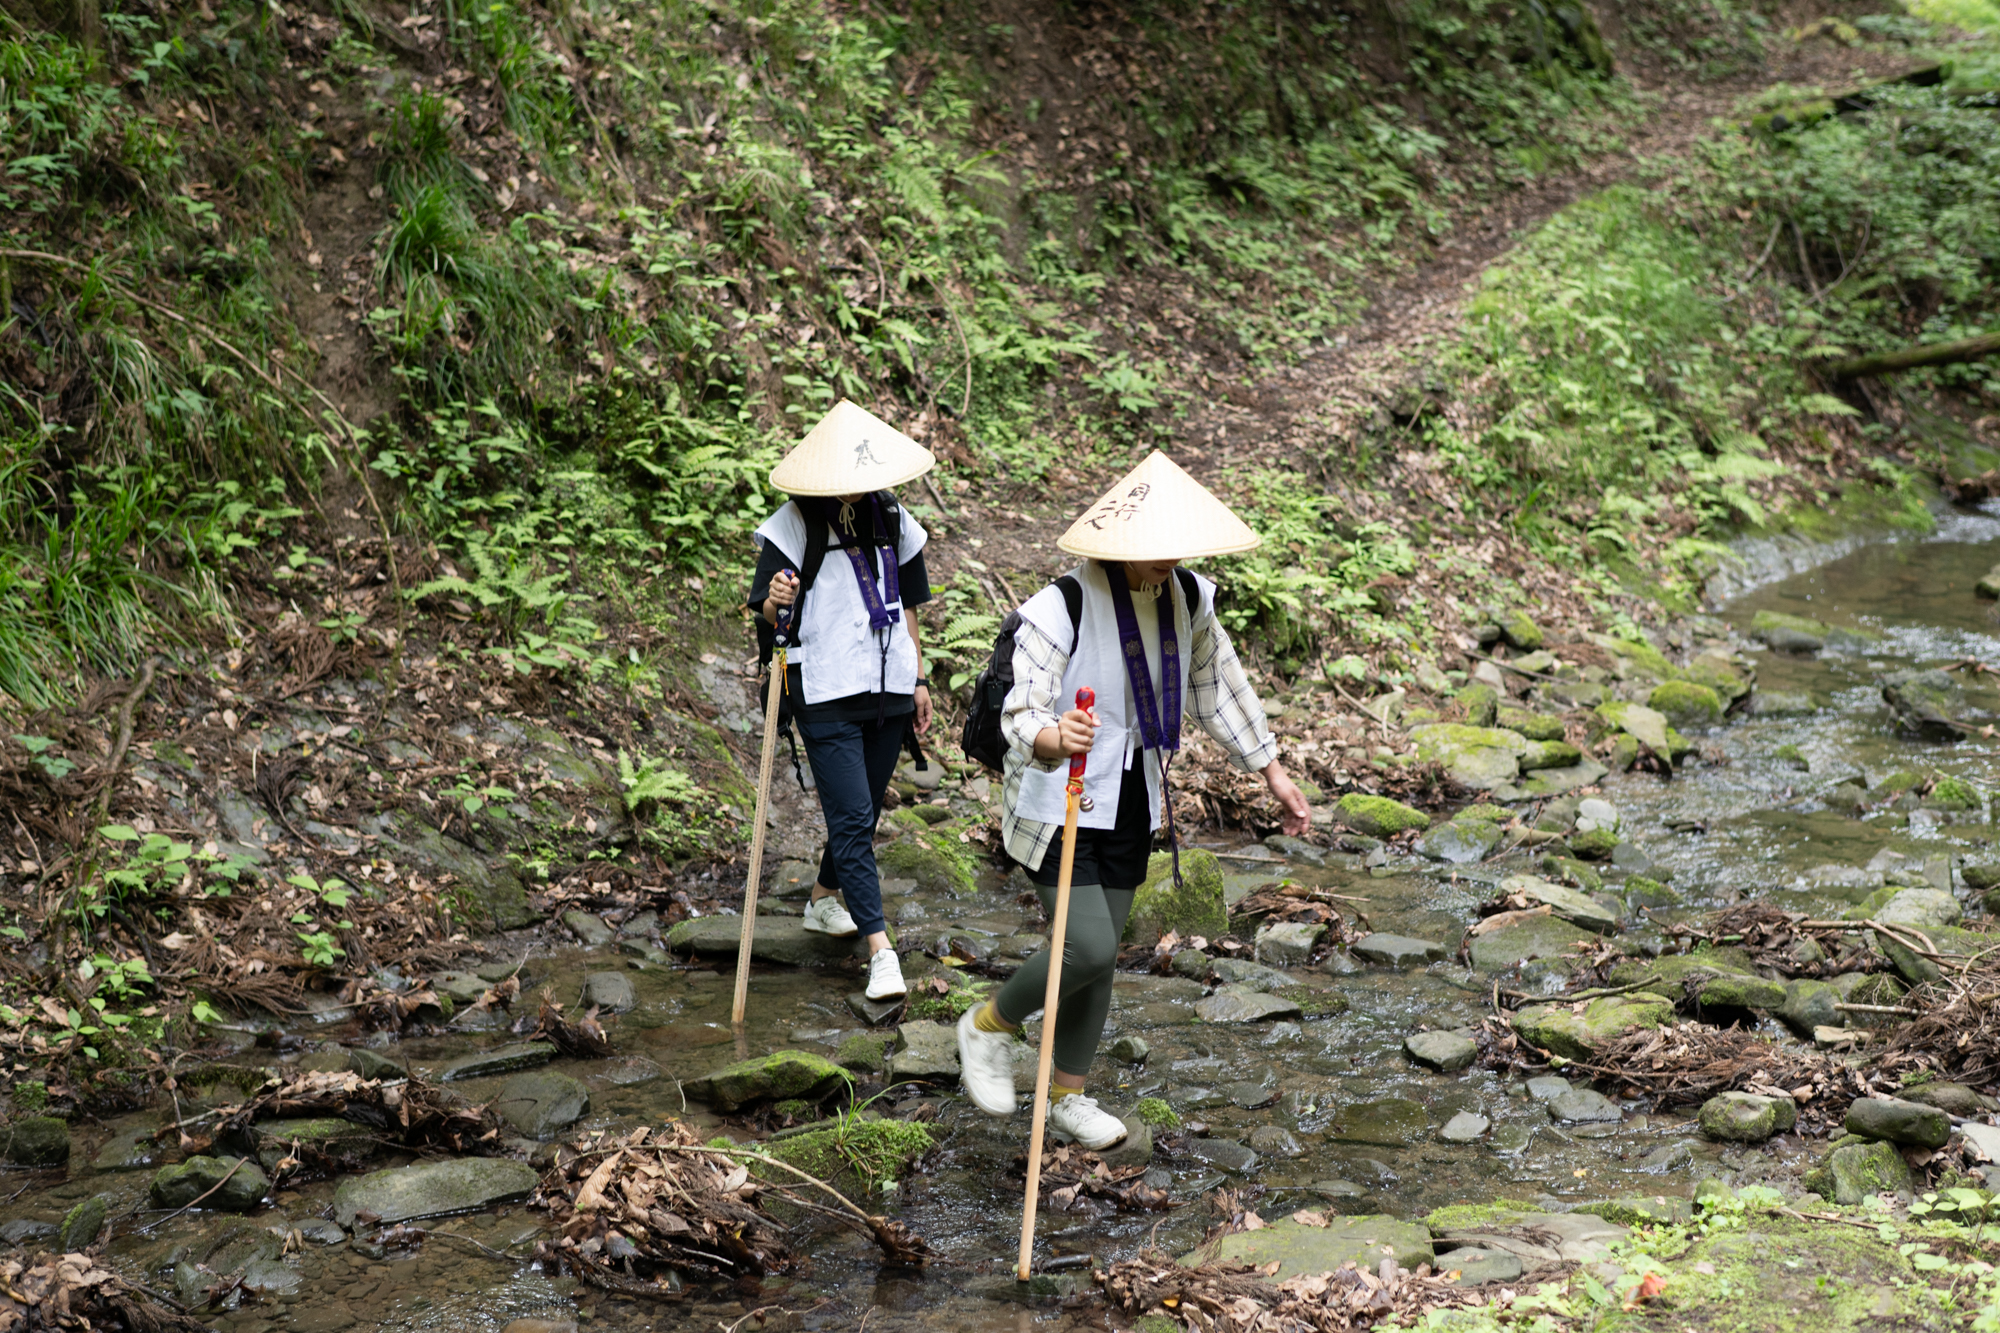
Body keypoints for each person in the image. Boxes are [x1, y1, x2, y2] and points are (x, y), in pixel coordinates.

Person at [956, 450, 1312, 1149]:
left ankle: (1069, 1094)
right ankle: (988, 1025)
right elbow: (1020, 708)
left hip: (1130, 791)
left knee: (1103, 949)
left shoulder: (1188, 598)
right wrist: (1055, 734)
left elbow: (1219, 687)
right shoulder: (1060, 606)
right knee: (1084, 946)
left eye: (1177, 549)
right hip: (1056, 796)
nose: (1168, 561)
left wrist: (1270, 769)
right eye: (1155, 551)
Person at [745, 400, 937, 1003]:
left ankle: (824, 899)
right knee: (853, 817)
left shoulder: (894, 517)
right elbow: (770, 618)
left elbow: (906, 606)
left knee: (863, 810)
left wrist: (919, 678)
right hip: (824, 686)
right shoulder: (792, 527)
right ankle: (882, 953)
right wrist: (778, 599)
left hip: (887, 686)